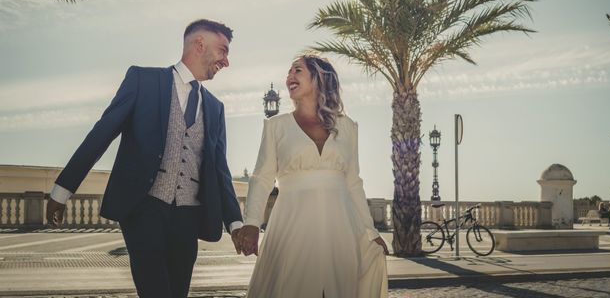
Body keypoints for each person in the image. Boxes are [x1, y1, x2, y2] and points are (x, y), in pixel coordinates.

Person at [45, 19, 243, 298]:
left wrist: (235, 223)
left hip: (189, 216)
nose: (226, 61)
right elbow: (101, 134)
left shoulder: (215, 107)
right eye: (223, 50)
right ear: (199, 44)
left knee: (177, 292)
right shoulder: (143, 80)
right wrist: (63, 189)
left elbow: (220, 169)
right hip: (144, 208)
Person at [238, 55, 388, 297]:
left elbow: (353, 183)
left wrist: (371, 232)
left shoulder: (347, 127)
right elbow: (262, 177)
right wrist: (252, 223)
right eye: (288, 72)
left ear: (319, 79)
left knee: (340, 287)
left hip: (341, 225)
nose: (289, 77)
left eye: (297, 71)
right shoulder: (276, 126)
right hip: (291, 222)